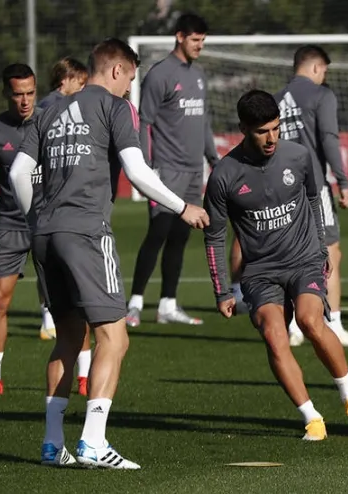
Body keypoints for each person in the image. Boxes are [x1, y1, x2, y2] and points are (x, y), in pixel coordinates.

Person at [9, 37, 210, 468]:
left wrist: (36, 219)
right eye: (130, 79)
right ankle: (93, 442)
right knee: (114, 338)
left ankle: (52, 444)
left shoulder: (48, 110)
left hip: (45, 234)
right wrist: (183, 206)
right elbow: (137, 171)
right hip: (85, 232)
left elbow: (18, 172)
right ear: (117, 70)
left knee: (68, 339)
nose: (129, 89)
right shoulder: (116, 108)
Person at [204, 89, 348, 440]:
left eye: (276, 128)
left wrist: (320, 247)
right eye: (262, 131)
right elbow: (214, 236)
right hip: (260, 272)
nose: (271, 138)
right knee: (274, 336)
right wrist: (222, 290)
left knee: (310, 320)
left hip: (303, 259)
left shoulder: (298, 155)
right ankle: (311, 417)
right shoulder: (223, 175)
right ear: (243, 129)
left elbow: (314, 199)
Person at [0, 63, 90, 397]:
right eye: (18, 94)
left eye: (31, 93)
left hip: (54, 223)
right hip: (11, 224)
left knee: (73, 300)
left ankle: (85, 375)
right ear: (6, 92)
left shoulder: (55, 121)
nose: (25, 100)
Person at [126, 12, 220, 327]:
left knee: (180, 237)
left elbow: (203, 122)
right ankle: (134, 304)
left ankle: (167, 304)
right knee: (158, 233)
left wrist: (213, 159)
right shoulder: (160, 74)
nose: (199, 45)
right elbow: (144, 122)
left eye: (202, 40)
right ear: (180, 36)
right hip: (166, 172)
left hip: (193, 172)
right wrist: (145, 166)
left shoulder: (199, 75)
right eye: (195, 39)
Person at [274, 45, 348, 347]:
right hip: (313, 187)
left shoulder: (275, 99)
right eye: (324, 70)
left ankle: (293, 325)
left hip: (280, 189)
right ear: (316, 67)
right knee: (331, 252)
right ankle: (334, 323)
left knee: (290, 254)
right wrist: (343, 181)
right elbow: (329, 139)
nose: (324, 76)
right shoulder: (321, 95)